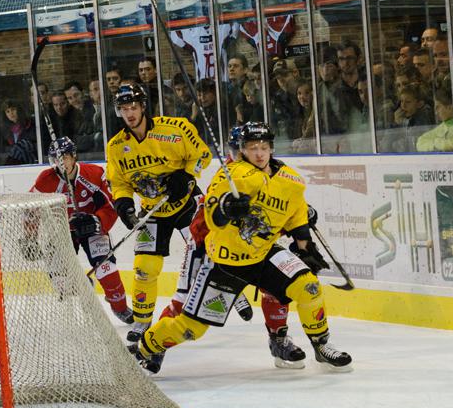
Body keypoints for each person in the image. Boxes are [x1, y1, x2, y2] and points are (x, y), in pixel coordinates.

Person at [128, 122, 352, 374]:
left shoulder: (290, 180)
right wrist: (226, 209)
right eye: (252, 148)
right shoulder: (231, 175)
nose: (259, 153)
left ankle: (321, 346)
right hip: (225, 262)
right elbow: (212, 217)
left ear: (271, 148)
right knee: (190, 329)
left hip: (261, 255)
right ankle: (146, 347)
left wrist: (305, 248)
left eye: (263, 147)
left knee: (308, 286)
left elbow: (296, 218)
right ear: (243, 150)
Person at [105, 84, 213, 342]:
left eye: (133, 107)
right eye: (124, 109)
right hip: (153, 209)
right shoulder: (116, 146)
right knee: (144, 267)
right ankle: (142, 322)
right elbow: (119, 182)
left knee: (206, 253)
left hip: (186, 204)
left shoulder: (175, 129)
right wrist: (124, 206)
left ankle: (231, 296)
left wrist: (186, 176)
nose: (129, 113)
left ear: (143, 107)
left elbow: (203, 155)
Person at [30, 137, 132, 323]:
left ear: (73, 156)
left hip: (92, 228)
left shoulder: (94, 174)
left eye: (64, 157)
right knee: (61, 283)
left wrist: (97, 221)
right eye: (56, 159)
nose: (61, 163)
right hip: (61, 232)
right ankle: (81, 286)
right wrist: (30, 237)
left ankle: (120, 307)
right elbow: (31, 210)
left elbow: (111, 205)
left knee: (107, 270)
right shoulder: (45, 180)